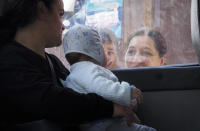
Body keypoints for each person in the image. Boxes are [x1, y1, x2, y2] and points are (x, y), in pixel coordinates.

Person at [0, 0, 139, 130]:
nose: (63, 25)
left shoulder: (52, 62)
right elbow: (56, 102)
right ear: (41, 9)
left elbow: (77, 92)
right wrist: (111, 108)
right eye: (60, 14)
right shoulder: (8, 63)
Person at [62, 25, 156, 131]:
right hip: (103, 124)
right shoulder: (87, 69)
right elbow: (102, 87)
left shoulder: (76, 73)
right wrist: (127, 92)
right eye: (101, 47)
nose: (104, 53)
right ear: (92, 51)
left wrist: (128, 103)